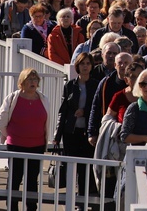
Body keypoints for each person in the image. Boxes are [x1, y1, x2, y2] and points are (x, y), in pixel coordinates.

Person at [0, 68, 51, 211]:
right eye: (29, 79)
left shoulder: (43, 99)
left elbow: (46, 122)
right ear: (22, 82)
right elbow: (1, 122)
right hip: (16, 146)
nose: (33, 82)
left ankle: (31, 207)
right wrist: (10, 136)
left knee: (32, 180)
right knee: (15, 178)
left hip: (37, 146)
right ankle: (12, 207)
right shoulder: (12, 98)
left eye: (35, 79)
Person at [54, 53, 98, 198]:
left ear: (91, 66)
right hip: (71, 131)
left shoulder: (96, 84)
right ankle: (72, 198)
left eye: (87, 63)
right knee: (72, 166)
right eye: (82, 63)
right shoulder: (70, 85)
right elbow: (63, 110)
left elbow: (97, 108)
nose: (85, 66)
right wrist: (57, 135)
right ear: (77, 66)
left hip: (87, 132)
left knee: (85, 167)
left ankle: (83, 197)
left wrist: (84, 112)